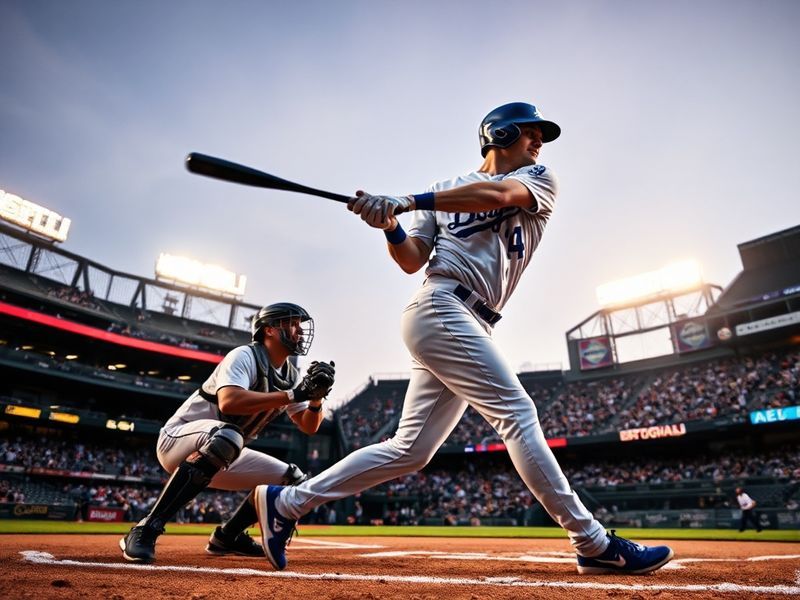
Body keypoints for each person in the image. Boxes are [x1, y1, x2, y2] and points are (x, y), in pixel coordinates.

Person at [253, 102, 674, 575]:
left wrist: (406, 202)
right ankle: (592, 542)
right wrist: (391, 226)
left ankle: (287, 502)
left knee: (411, 450)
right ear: (500, 132)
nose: (538, 143)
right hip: (439, 304)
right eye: (530, 133)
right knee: (517, 413)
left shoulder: (538, 179)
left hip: (470, 318)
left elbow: (496, 194)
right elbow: (412, 260)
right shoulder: (439, 192)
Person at [119, 302, 335, 562]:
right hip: (178, 440)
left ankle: (228, 536)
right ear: (268, 330)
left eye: (299, 325)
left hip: (226, 449)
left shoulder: (290, 374)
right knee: (228, 437)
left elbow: (309, 426)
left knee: (294, 480)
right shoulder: (244, 355)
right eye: (291, 323)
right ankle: (146, 528)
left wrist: (316, 400)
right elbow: (229, 401)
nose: (299, 331)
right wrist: (293, 395)